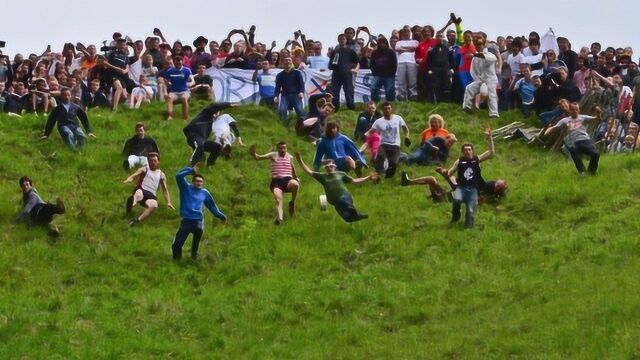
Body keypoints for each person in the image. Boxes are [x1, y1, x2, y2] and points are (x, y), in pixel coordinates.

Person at [295, 152, 378, 223]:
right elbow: (309, 172)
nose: (329, 168)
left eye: (331, 166)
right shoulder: (322, 176)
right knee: (348, 219)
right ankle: (357, 215)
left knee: (342, 200)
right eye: (327, 167)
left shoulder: (341, 174)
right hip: (335, 202)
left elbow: (355, 181)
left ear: (334, 167)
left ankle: (353, 210)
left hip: (345, 197)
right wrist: (300, 161)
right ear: (325, 169)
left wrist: (368, 178)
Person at [442, 128, 495, 228]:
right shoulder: (459, 161)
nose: (467, 151)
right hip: (461, 188)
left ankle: (468, 228)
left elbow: (491, 153)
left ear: (472, 151)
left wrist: (489, 138)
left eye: (469, 149)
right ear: (463, 152)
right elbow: (450, 172)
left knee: (470, 211)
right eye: (465, 150)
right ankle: (455, 218)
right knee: (456, 200)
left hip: (473, 190)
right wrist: (447, 172)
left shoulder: (477, 159)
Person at [172, 165, 227, 260]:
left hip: (198, 221)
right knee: (177, 245)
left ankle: (194, 257)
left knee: (196, 240)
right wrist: (191, 171)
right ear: (193, 182)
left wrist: (221, 216)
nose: (198, 183)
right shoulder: (185, 188)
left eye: (200, 182)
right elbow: (178, 176)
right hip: (186, 221)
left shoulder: (204, 193)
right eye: (197, 181)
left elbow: (212, 207)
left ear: (203, 183)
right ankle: (177, 261)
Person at [249, 142, 300, 225]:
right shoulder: (273, 155)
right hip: (277, 182)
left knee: (296, 184)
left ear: (286, 148)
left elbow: (292, 167)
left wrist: (296, 177)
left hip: (288, 179)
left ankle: (292, 203)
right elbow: (258, 157)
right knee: (278, 199)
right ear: (277, 149)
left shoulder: (290, 157)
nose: (282, 150)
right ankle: (279, 219)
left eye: (284, 148)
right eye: (280, 148)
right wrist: (254, 153)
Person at [544, 103, 601, 175]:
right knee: (573, 150)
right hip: (573, 142)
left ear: (579, 110)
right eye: (573, 110)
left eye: (576, 110)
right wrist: (548, 130)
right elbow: (555, 127)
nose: (575, 111)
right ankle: (582, 172)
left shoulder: (583, 117)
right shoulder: (565, 120)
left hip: (584, 139)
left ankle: (591, 172)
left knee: (596, 154)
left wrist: (598, 113)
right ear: (570, 110)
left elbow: (596, 119)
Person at [123, 152, 175, 225]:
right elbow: (134, 175)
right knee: (139, 194)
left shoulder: (161, 175)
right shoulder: (144, 169)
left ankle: (137, 221)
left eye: (155, 161)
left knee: (154, 205)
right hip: (141, 189)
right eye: (151, 161)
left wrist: (168, 202)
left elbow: (165, 190)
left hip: (151, 195)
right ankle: (132, 203)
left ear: (158, 162)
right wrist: (129, 179)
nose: (153, 163)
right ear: (148, 161)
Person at [183, 102, 236, 167]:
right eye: (215, 112)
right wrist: (229, 105)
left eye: (218, 112)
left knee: (217, 147)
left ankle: (209, 166)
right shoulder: (205, 114)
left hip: (202, 140)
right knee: (199, 145)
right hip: (194, 136)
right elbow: (213, 106)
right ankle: (192, 166)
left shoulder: (211, 122)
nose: (216, 113)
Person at [366, 102, 411, 178]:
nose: (387, 110)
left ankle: (388, 177)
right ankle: (378, 175)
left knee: (393, 163)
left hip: (395, 145)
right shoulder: (378, 121)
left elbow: (406, 130)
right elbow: (370, 132)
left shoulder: (398, 118)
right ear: (382, 110)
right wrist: (366, 136)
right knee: (380, 156)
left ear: (391, 109)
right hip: (383, 144)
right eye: (385, 109)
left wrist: (407, 137)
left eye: (388, 108)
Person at [462, 38, 499, 118]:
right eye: (477, 45)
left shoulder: (489, 54)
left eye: (480, 45)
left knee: (491, 95)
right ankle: (467, 107)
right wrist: (478, 80)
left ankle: (494, 114)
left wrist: (474, 55)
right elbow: (473, 71)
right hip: (480, 80)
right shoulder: (475, 58)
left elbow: (493, 59)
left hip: (490, 80)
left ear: (484, 45)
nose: (478, 46)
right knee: (469, 88)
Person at [329, 34, 359, 111]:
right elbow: (330, 66)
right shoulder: (335, 52)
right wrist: (333, 64)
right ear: (338, 40)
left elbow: (357, 62)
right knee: (335, 93)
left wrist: (355, 69)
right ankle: (335, 109)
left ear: (346, 40)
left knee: (349, 92)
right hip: (336, 75)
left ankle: (351, 109)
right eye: (340, 39)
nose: (342, 40)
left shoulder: (351, 51)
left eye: (343, 39)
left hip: (347, 75)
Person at [161, 55, 193, 121]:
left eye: (179, 63)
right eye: (176, 63)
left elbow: (191, 80)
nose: (178, 64)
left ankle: (185, 117)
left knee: (184, 98)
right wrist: (167, 85)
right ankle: (170, 116)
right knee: (170, 98)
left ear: (182, 62)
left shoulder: (186, 70)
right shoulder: (169, 71)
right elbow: (166, 82)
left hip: (184, 91)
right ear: (174, 62)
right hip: (174, 92)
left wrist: (189, 81)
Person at [274, 57, 305, 126]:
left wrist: (301, 92)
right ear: (283, 63)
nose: (287, 62)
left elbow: (301, 84)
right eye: (286, 61)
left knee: (300, 111)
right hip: (285, 96)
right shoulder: (280, 75)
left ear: (291, 63)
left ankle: (302, 126)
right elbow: (277, 87)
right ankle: (283, 127)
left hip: (296, 95)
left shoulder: (297, 73)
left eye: (289, 61)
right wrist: (276, 96)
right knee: (282, 110)